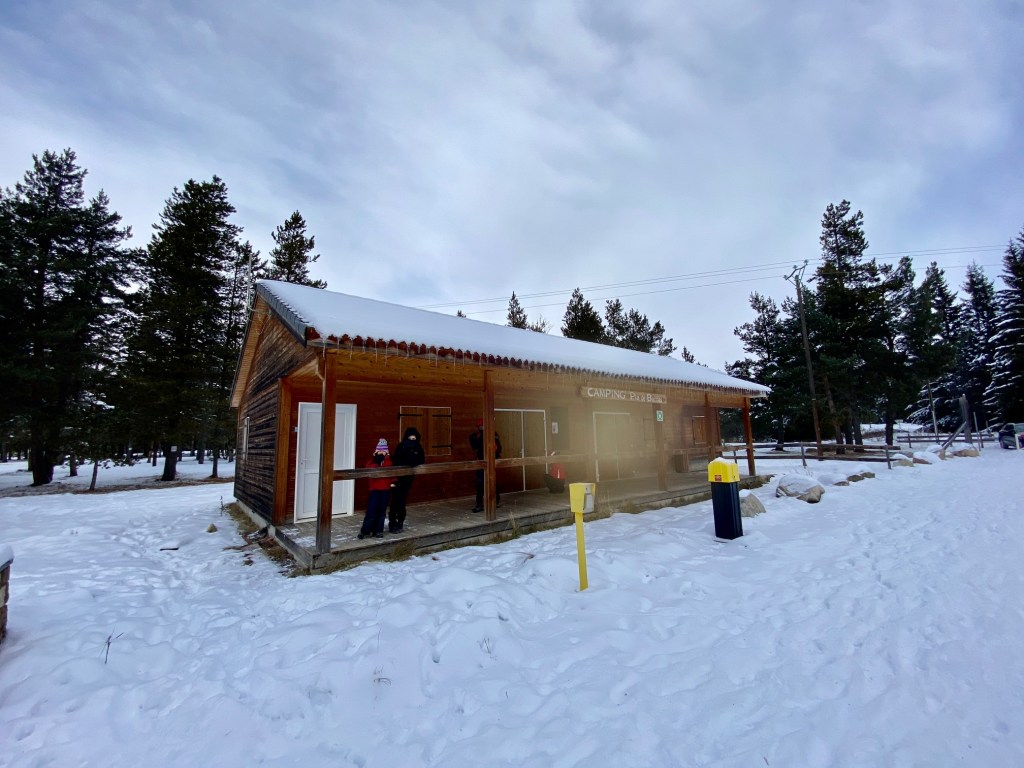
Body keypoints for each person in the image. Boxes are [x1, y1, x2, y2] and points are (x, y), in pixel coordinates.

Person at [388, 426, 425, 533]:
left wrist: (413, 461)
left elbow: (421, 460)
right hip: (397, 478)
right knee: (395, 500)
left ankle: (400, 522)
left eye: (414, 439)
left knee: (402, 500)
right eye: (410, 438)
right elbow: (396, 460)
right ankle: (392, 523)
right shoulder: (401, 446)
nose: (412, 441)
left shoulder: (418, 447)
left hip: (408, 478)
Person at [357, 438, 392, 540]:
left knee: (381, 510)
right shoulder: (372, 461)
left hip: (385, 489)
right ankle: (365, 531)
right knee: (371, 510)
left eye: (383, 451)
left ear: (387, 452)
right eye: (379, 450)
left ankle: (378, 530)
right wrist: (376, 462)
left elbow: (392, 473)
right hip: (374, 489)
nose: (381, 452)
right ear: (376, 452)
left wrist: (393, 482)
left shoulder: (389, 462)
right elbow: (368, 470)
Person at [469, 421, 501, 512]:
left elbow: (497, 448)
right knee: (481, 483)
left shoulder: (492, 434)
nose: (480, 427)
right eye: (479, 426)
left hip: (490, 462)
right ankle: (480, 504)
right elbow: (474, 446)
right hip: (482, 462)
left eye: (481, 426)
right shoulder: (477, 436)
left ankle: (494, 501)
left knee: (490, 482)